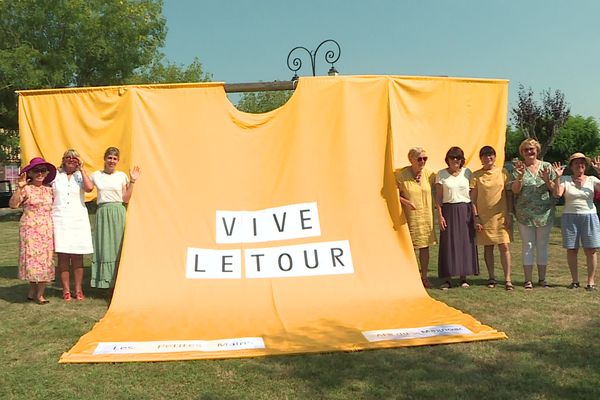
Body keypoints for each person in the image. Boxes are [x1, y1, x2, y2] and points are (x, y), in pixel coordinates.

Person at [90, 147, 140, 292]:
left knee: (119, 245)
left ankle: (120, 280)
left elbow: (125, 198)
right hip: (103, 212)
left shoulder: (122, 176)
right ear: (104, 159)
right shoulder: (96, 175)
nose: (112, 161)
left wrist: (132, 181)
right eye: (109, 158)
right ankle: (105, 281)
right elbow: (86, 188)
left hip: (118, 211)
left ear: (117, 161)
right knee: (105, 245)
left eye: (114, 158)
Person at [9, 157, 57, 304]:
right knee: (31, 259)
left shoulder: (50, 190)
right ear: (30, 173)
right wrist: (20, 187)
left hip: (46, 229)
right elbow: (12, 205)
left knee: (45, 260)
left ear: (47, 173)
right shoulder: (26, 189)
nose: (40, 174)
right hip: (29, 229)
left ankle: (40, 294)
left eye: (43, 171)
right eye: (36, 171)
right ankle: (32, 288)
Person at [511, 138, 556, 289]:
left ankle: (542, 279)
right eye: (526, 150)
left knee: (542, 245)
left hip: (545, 213)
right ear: (522, 152)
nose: (529, 152)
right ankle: (528, 280)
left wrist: (547, 180)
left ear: (537, 150)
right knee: (528, 245)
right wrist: (519, 177)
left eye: (532, 149)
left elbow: (555, 191)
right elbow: (515, 190)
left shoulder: (547, 166)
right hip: (524, 215)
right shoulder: (519, 168)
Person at [551, 153, 600, 291]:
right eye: (576, 163)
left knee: (591, 250)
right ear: (571, 166)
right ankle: (575, 281)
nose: (580, 165)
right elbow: (557, 194)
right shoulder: (565, 179)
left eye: (582, 163)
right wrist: (557, 178)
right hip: (570, 217)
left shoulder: (592, 179)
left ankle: (590, 282)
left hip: (589, 216)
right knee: (572, 249)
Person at [52, 149, 94, 301]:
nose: (71, 160)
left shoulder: (80, 175)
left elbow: (89, 188)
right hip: (60, 219)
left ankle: (78, 289)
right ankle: (66, 290)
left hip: (78, 219)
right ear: (63, 159)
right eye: (68, 157)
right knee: (63, 256)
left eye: (74, 158)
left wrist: (82, 168)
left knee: (77, 256)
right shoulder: (55, 175)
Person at [470, 146, 513, 290]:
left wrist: (509, 213)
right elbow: (473, 199)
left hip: (501, 215)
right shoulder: (476, 176)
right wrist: (476, 217)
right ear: (480, 158)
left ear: (495, 156)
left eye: (490, 155)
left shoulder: (503, 172)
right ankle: (491, 277)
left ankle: (508, 279)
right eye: (484, 156)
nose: (488, 158)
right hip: (484, 217)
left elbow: (509, 194)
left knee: (504, 246)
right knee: (488, 248)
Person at [435, 146, 479, 289]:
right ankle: (447, 278)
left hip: (465, 210)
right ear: (447, 159)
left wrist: (475, 215)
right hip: (449, 210)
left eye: (458, 158)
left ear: (462, 160)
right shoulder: (441, 174)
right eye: (452, 158)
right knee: (448, 243)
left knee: (465, 243)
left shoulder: (467, 173)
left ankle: (463, 277)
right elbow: (438, 198)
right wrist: (440, 216)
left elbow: (472, 195)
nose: (455, 160)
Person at [395, 147, 437, 288]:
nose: (422, 161)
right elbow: (393, 194)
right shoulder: (401, 175)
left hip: (426, 217)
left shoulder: (429, 174)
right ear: (411, 159)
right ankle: (410, 277)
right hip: (409, 217)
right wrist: (406, 202)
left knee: (425, 248)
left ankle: (424, 277)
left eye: (425, 158)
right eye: (419, 159)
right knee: (410, 248)